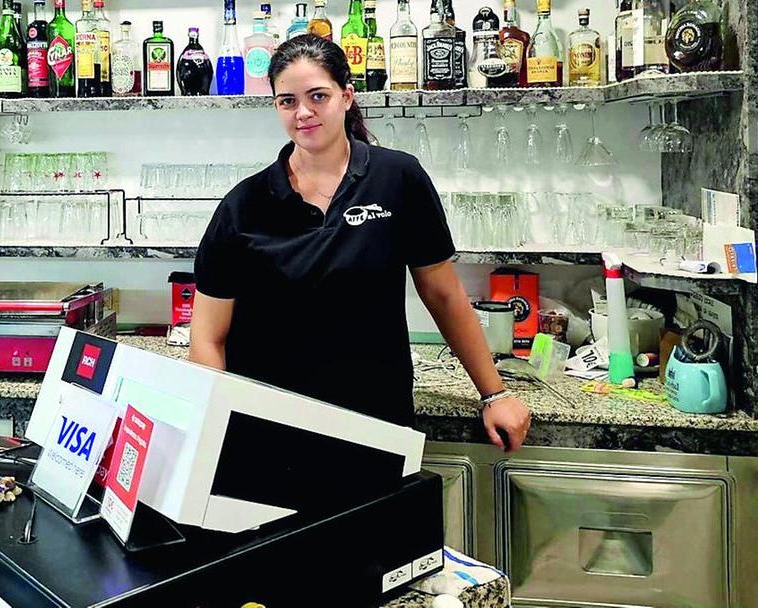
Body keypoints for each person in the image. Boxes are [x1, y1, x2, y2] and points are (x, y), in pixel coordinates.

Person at [189, 35, 531, 451]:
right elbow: (207, 337)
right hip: (268, 428)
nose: (303, 113)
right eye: (287, 101)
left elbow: (443, 293)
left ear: (347, 97)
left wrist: (493, 393)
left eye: (318, 96)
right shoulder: (244, 205)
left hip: (376, 420)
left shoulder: (397, 179)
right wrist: (212, 426)